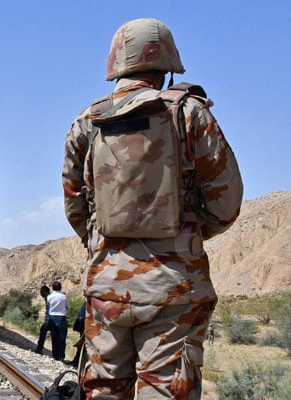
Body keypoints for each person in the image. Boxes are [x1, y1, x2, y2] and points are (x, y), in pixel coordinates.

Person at [62, 18, 243, 399]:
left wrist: (106, 245)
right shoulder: (189, 113)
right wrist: (184, 233)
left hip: (106, 287)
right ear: (166, 64)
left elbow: (74, 206)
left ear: (116, 65)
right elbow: (226, 202)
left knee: (103, 390)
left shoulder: (87, 121)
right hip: (174, 288)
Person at [46, 281, 69, 362]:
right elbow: (67, 306)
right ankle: (61, 356)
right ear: (60, 287)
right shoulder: (64, 297)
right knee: (62, 337)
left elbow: (48, 306)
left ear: (53, 288)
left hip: (52, 317)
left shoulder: (49, 297)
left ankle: (55, 355)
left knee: (54, 337)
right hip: (61, 317)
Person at [35, 285, 51, 354]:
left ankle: (39, 349)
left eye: (41, 291)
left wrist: (47, 321)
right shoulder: (49, 297)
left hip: (51, 319)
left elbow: (49, 310)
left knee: (43, 330)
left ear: (44, 291)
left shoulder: (48, 297)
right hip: (56, 318)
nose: (40, 293)